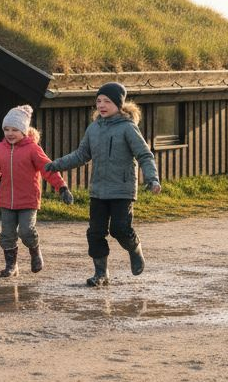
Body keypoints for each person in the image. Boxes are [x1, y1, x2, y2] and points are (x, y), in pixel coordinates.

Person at [44, 82, 161, 287]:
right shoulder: (94, 128)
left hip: (122, 190)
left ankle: (135, 249)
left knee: (120, 229)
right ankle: (101, 274)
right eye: (98, 101)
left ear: (119, 104)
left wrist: (152, 179)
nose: (102, 105)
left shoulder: (128, 128)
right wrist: (56, 164)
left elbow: (144, 155)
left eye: (107, 101)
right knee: (95, 233)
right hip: (98, 190)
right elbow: (82, 154)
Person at [0, 104, 73, 277]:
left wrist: (62, 188)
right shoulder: (0, 148)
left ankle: (35, 251)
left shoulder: (33, 149)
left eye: (15, 129)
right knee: (7, 234)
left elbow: (48, 169)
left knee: (26, 231)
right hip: (6, 201)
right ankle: (11, 265)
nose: (10, 133)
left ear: (24, 131)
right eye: (6, 129)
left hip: (28, 200)